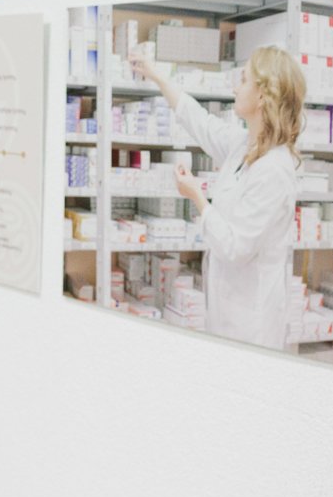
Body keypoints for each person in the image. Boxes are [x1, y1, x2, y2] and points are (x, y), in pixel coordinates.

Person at [130, 46, 305, 347]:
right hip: (226, 313)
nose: (236, 87)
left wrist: (198, 198)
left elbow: (236, 247)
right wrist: (156, 75)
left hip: (252, 326)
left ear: (262, 96)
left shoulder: (274, 170)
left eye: (244, 80)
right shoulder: (244, 145)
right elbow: (199, 121)